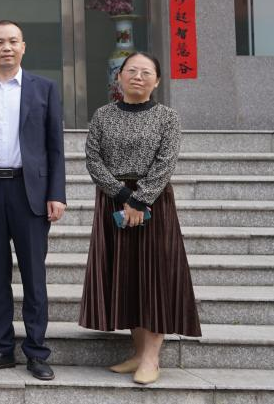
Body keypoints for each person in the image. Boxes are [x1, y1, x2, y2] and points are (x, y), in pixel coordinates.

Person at [79, 51, 200, 385]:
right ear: (119, 77)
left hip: (155, 204)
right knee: (127, 275)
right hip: (114, 201)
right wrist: (122, 196)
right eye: (131, 70)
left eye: (146, 72)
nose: (138, 76)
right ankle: (137, 352)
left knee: (155, 276)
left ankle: (151, 358)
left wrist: (140, 199)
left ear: (157, 81)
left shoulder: (167, 118)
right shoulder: (102, 115)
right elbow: (93, 160)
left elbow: (165, 163)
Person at [0, 21, 66, 382]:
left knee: (34, 276)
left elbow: (55, 146)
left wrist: (56, 193)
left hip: (30, 193)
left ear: (24, 47)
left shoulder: (44, 88)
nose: (6, 48)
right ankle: (1, 348)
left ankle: (37, 352)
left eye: (13, 41)